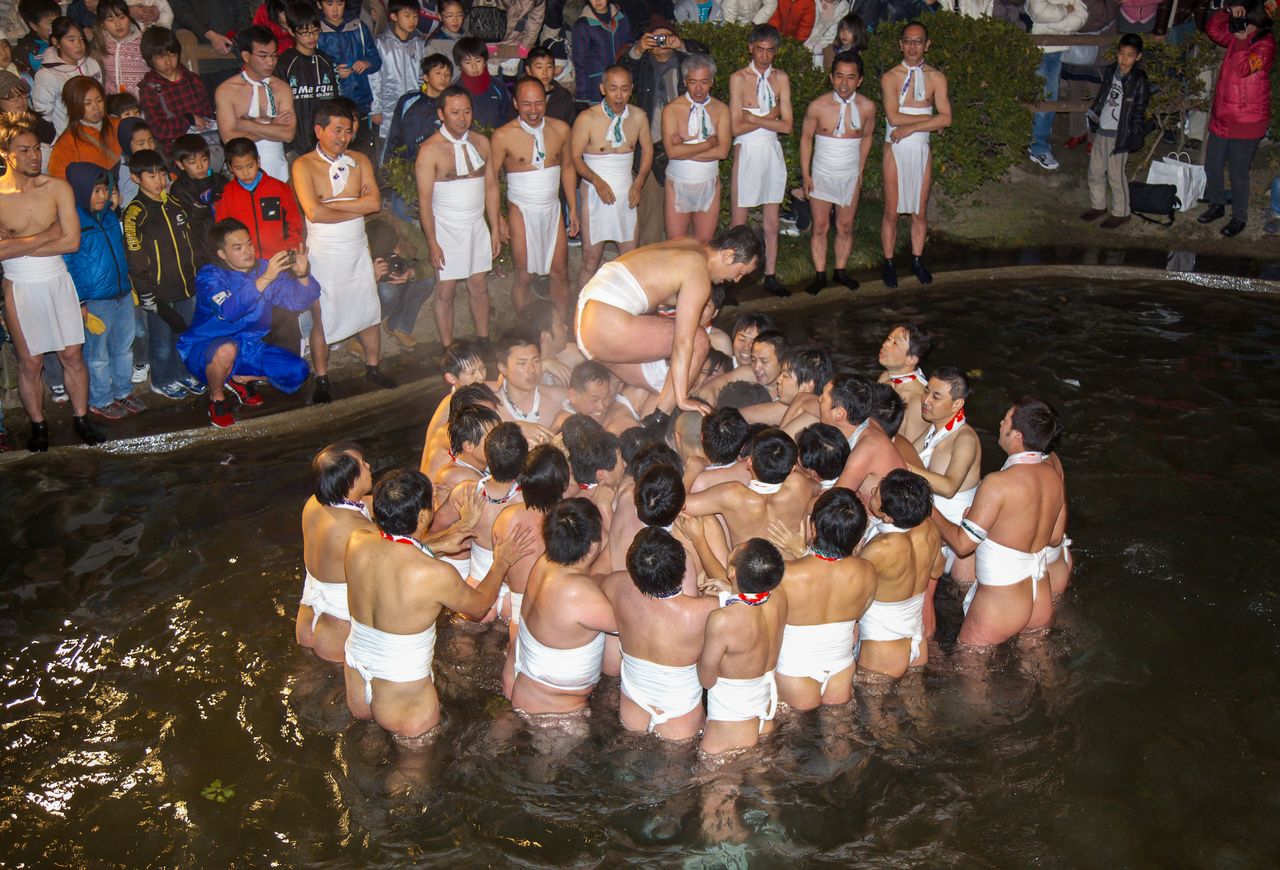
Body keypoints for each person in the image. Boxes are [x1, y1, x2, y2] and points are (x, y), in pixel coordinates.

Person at [343, 468, 531, 739]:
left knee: (369, 748)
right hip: (404, 693)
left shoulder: (357, 542)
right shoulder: (435, 574)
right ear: (422, 516)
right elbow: (478, 608)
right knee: (412, 776)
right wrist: (501, 561)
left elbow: (397, 554)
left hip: (357, 676)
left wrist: (445, 539)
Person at [575, 228, 762, 422]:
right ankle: (658, 419)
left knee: (664, 385)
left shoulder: (689, 243)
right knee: (698, 340)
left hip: (586, 320)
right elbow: (683, 341)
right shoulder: (698, 272)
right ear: (729, 255)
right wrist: (682, 399)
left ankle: (647, 423)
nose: (737, 280)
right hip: (606, 322)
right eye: (740, 272)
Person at [0, 124, 105, 450]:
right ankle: (38, 426)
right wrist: (48, 235)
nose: (34, 156)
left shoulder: (58, 188)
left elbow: (71, 242)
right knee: (31, 362)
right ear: (6, 154)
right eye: (24, 150)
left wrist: (17, 242)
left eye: (36, 148)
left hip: (57, 278)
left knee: (72, 354)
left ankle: (81, 419)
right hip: (20, 282)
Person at [931, 398, 1068, 647]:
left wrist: (930, 511)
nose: (1000, 423)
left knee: (971, 669)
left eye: (1005, 420)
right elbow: (1055, 536)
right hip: (1039, 591)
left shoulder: (997, 483)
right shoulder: (1052, 476)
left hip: (1001, 598)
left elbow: (963, 545)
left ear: (1016, 435)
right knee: (1039, 669)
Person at [291, 100, 395, 402]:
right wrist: (353, 205)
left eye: (348, 132)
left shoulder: (360, 160)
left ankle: (373, 367)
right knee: (323, 313)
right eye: (337, 131)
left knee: (369, 309)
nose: (343, 138)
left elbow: (374, 204)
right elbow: (314, 212)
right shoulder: (303, 165)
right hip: (324, 250)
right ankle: (322, 377)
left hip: (356, 246)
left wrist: (333, 206)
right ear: (319, 130)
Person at [177, 217, 319, 426]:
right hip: (205, 348)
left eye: (249, 243)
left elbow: (296, 300)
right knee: (226, 350)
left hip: (249, 348)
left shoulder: (263, 268)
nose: (247, 251)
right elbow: (229, 311)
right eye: (238, 247)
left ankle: (238, 378)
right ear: (222, 254)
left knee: (298, 371)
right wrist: (265, 279)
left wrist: (303, 275)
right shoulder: (210, 276)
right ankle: (217, 398)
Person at [600, 526, 717, 739]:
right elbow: (751, 607)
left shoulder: (616, 585)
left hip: (632, 711)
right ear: (682, 567)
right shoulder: (707, 610)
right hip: (681, 721)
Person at [765, 486, 875, 709]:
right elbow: (859, 614)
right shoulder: (867, 572)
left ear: (813, 527)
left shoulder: (785, 575)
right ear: (858, 535)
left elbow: (766, 626)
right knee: (840, 736)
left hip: (795, 673)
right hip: (841, 670)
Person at [511, 497, 616, 715]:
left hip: (522, 687)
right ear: (592, 546)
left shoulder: (544, 564)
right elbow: (635, 625)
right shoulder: (580, 594)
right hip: (557, 716)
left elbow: (592, 573)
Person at [416, 86, 500, 349]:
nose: (462, 118)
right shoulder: (430, 150)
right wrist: (432, 242)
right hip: (445, 228)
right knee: (446, 290)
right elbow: (424, 202)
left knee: (479, 285)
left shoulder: (481, 142)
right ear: (442, 114)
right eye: (454, 112)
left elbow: (491, 188)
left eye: (466, 111)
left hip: (476, 224)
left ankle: (484, 340)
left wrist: (495, 228)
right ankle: (447, 347)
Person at [122, 148, 204, 404]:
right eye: (151, 175)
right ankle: (162, 379)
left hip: (185, 285)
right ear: (136, 178)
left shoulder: (175, 204)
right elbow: (134, 254)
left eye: (161, 174)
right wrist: (146, 291)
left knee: (185, 333)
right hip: (158, 291)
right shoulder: (135, 213)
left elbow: (191, 241)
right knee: (162, 339)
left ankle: (184, 373)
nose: (159, 180)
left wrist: (195, 274)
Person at [492, 77, 577, 315]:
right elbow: (491, 180)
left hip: (552, 207)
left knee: (560, 272)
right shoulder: (502, 135)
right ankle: (525, 331)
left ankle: (559, 326)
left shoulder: (561, 129)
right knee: (524, 275)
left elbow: (568, 168)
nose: (533, 110)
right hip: (520, 207)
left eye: (539, 103)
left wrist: (573, 207)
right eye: (527, 104)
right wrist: (498, 217)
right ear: (516, 103)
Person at [64, 162, 141, 421]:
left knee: (124, 347)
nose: (102, 196)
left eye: (105, 190)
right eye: (95, 191)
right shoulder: (73, 220)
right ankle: (100, 398)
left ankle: (123, 390)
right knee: (97, 355)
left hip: (121, 292)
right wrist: (80, 301)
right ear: (81, 190)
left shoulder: (110, 215)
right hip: (96, 300)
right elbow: (69, 264)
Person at [493, 444, 571, 695]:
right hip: (553, 624)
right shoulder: (568, 525)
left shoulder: (506, 519)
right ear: (562, 484)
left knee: (512, 689)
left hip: (516, 617)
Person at [698, 538, 788, 755]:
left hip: (730, 726)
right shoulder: (781, 597)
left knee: (714, 786)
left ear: (732, 571)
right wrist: (730, 591)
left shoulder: (722, 620)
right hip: (764, 715)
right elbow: (756, 603)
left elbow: (706, 680)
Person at [880, 20, 951, 289]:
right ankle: (888, 262)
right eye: (908, 41)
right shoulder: (890, 77)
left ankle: (917, 259)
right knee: (892, 211)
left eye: (918, 41)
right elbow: (893, 116)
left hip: (920, 148)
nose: (912, 46)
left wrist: (910, 127)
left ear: (927, 45)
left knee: (919, 211)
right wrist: (926, 120)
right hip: (895, 149)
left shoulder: (936, 78)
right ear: (901, 44)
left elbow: (946, 118)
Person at [571, 63, 653, 288]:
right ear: (602, 88)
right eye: (613, 88)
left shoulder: (638, 116)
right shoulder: (586, 118)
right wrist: (596, 181)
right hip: (595, 193)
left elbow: (648, 150)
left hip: (627, 191)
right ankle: (581, 312)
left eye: (624, 89)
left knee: (629, 260)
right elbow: (575, 158)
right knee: (590, 258)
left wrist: (638, 183)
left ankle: (624, 312)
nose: (619, 95)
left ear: (632, 89)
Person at [1197, 2, 1275, 238]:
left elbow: (1243, 68)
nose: (1243, 25)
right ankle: (1217, 204)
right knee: (1212, 164)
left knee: (1238, 173)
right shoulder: (1235, 36)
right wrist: (1227, 12)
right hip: (1223, 115)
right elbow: (1213, 30)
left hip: (1248, 120)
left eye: (1247, 21)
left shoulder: (1266, 44)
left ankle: (1239, 217)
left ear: (1258, 23)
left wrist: (1241, 39)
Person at [801, 51, 874, 296]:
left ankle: (840, 270)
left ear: (860, 80)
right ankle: (820, 274)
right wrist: (806, 174)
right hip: (821, 173)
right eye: (839, 76)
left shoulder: (867, 107)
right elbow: (806, 139)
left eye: (850, 77)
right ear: (831, 77)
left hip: (849, 175)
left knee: (845, 226)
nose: (844, 83)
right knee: (820, 226)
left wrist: (860, 169)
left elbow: (867, 136)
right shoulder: (818, 106)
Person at [857, 469, 942, 677]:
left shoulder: (881, 548)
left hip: (882, 645)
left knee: (873, 708)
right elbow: (938, 569)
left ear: (888, 517)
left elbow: (850, 591)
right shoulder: (930, 528)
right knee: (917, 704)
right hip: (917, 636)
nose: (874, 489)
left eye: (877, 493)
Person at [298, 443, 376, 663]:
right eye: (363, 464)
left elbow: (358, 505)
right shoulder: (360, 531)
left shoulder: (314, 504)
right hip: (339, 634)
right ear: (350, 480)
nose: (369, 465)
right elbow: (407, 556)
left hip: (308, 621)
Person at [730, 24, 792, 298]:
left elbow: (787, 126)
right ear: (750, 48)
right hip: (747, 150)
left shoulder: (781, 78)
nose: (765, 56)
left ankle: (770, 274)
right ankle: (732, 278)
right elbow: (734, 128)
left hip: (771, 151)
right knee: (739, 220)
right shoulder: (739, 79)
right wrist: (772, 116)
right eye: (760, 50)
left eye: (770, 51)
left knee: (771, 222)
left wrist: (753, 118)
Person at [685, 426, 817, 549]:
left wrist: (692, 470)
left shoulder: (732, 494)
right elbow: (817, 486)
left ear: (749, 462)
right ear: (792, 469)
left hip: (748, 571)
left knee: (697, 519)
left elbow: (678, 504)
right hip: (789, 567)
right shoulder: (800, 484)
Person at [911, 366, 980, 580]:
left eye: (936, 396)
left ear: (957, 404)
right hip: (929, 528)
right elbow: (906, 452)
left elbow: (949, 487)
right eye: (926, 391)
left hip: (953, 541)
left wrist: (906, 468)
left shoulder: (965, 439)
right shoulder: (934, 429)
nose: (926, 400)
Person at [1080, 33, 1150, 229]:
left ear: (1138, 57)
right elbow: (1103, 97)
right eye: (1121, 54)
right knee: (1095, 170)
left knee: (1116, 175)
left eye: (1129, 55)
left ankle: (1122, 212)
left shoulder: (1139, 79)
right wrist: (1094, 117)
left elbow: (1139, 109)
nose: (1124, 59)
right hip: (1103, 128)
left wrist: (1132, 134)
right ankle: (1098, 206)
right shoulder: (1111, 71)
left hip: (1119, 133)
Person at [662, 52, 730, 243]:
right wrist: (707, 144)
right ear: (685, 81)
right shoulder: (672, 110)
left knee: (703, 245)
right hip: (677, 183)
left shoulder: (721, 110)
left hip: (709, 184)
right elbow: (672, 152)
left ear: (712, 81)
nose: (699, 89)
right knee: (676, 246)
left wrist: (685, 148)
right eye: (693, 82)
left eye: (704, 82)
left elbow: (722, 152)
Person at [214, 26, 297, 182]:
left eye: (274, 56)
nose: (270, 62)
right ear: (246, 56)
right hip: (242, 171)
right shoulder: (226, 90)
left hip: (278, 168)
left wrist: (247, 125)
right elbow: (229, 139)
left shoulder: (282, 88)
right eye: (263, 56)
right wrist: (272, 126)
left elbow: (288, 134)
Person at [214, 137, 302, 260]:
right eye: (239, 168)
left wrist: (292, 251)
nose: (245, 173)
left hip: (280, 258)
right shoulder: (225, 194)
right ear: (230, 167)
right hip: (244, 263)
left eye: (250, 166)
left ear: (258, 161)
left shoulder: (279, 188)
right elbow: (223, 233)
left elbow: (294, 224)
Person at [137, 26, 215, 159]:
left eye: (172, 55)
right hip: (175, 154)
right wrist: (189, 119)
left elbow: (207, 114)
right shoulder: (149, 89)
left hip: (204, 147)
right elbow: (158, 130)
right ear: (150, 59)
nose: (168, 62)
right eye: (160, 57)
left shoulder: (193, 79)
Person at [825, 373, 905, 498]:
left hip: (887, 515)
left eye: (823, 398)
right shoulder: (864, 423)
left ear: (839, 413)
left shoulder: (867, 447)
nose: (818, 400)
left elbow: (831, 503)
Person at [276, 1, 338, 157]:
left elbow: (334, 102)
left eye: (316, 31)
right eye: (304, 32)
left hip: (324, 144)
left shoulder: (325, 61)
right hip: (295, 145)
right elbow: (279, 107)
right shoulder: (284, 63)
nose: (312, 37)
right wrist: (288, 147)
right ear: (291, 31)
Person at [316, 0, 379, 152]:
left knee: (360, 149)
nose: (335, 10)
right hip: (331, 102)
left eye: (340, 4)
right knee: (333, 149)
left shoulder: (358, 27)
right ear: (319, 5)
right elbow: (312, 66)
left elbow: (376, 59)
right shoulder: (316, 31)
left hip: (360, 101)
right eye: (329, 4)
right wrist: (333, 71)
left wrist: (366, 63)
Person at [370, 0, 428, 157]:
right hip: (388, 109)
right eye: (407, 16)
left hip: (414, 108)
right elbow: (375, 77)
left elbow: (423, 77)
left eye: (415, 16)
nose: (412, 21)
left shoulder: (419, 43)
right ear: (394, 16)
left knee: (413, 150)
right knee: (386, 152)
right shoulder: (380, 43)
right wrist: (376, 109)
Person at [32, 17, 102, 136]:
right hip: (68, 140)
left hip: (97, 134)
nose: (79, 45)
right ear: (55, 42)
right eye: (71, 40)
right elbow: (43, 117)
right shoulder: (47, 75)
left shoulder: (92, 64)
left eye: (81, 38)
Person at [492, 328, 568, 430]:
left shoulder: (560, 399)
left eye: (536, 361)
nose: (531, 370)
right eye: (522, 363)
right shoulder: (491, 410)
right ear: (503, 368)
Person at [383, 52, 451, 165]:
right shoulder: (408, 101)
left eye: (447, 74)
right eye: (438, 73)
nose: (443, 78)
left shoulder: (451, 104)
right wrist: (386, 167)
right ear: (425, 77)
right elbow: (393, 136)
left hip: (440, 166)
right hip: (406, 167)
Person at [47, 77, 121, 180]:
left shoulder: (119, 125)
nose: (96, 107)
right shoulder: (66, 144)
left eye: (99, 100)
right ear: (74, 106)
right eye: (88, 103)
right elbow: (59, 182)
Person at [571, 0, 633, 112]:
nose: (597, 0)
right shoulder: (583, 25)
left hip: (622, 86)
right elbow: (580, 63)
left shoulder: (621, 16)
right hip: (596, 88)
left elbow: (629, 42)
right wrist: (582, 97)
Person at [169, 134, 221, 263]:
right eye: (192, 162)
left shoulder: (219, 181)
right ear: (180, 164)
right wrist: (199, 205)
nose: (200, 166)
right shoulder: (179, 189)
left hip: (224, 243)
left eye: (204, 160)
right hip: (200, 250)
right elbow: (184, 225)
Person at [876, 322, 931, 443]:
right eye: (888, 338)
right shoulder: (885, 377)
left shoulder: (917, 402)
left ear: (911, 359)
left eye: (895, 343)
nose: (885, 344)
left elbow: (911, 455)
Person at [451, 36, 512, 130]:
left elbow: (508, 116)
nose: (474, 66)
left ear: (485, 61)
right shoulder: (455, 90)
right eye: (467, 62)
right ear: (459, 65)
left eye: (478, 61)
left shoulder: (498, 86)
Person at [171, 0, 254, 68]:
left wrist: (240, 39)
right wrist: (210, 35)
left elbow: (244, 13)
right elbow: (181, 11)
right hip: (196, 54)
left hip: (233, 53)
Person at [95, 0, 147, 98]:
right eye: (110, 20)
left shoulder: (143, 42)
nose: (118, 24)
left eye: (122, 17)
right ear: (103, 25)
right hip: (114, 103)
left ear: (129, 18)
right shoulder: (103, 42)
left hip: (139, 102)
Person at [524, 46, 575, 124]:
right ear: (528, 70)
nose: (545, 72)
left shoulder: (563, 95)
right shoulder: (522, 94)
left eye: (549, 67)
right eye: (539, 67)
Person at [14, 0, 59, 76]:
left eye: (58, 20)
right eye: (50, 23)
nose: (57, 26)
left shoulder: (68, 39)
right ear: (34, 26)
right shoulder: (23, 52)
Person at [807, 0, 851, 64]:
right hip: (800, 41)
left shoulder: (843, 6)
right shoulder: (812, 1)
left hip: (821, 47)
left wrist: (816, 47)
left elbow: (831, 34)